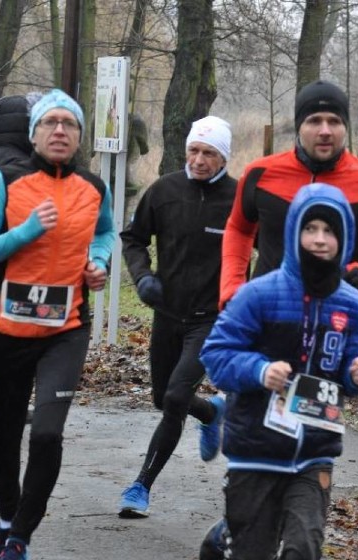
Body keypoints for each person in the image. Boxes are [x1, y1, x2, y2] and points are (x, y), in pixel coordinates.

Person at [0, 88, 116, 560]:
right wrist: (26, 230)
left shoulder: (94, 186)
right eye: (50, 123)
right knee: (6, 432)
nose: (59, 131)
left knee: (47, 433)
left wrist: (98, 260)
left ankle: (19, 538)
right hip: (9, 328)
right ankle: (7, 518)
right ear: (34, 133)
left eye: (68, 125)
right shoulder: (6, 180)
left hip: (66, 329)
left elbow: (107, 231)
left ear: (78, 136)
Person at [200, 183, 358, 560]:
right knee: (252, 557)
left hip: (314, 453)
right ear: (294, 233)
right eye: (310, 229)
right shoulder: (258, 295)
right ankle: (225, 540)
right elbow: (215, 354)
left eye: (329, 231)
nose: (319, 239)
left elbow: (354, 357)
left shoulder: (354, 305)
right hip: (255, 450)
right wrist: (259, 371)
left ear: (344, 240)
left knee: (303, 550)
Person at [117, 116, 236, 518]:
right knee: (161, 397)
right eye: (194, 151)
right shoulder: (164, 191)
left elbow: (267, 248)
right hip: (167, 314)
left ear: (224, 157)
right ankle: (211, 411)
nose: (199, 160)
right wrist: (143, 277)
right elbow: (132, 239)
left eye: (209, 153)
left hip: (212, 320)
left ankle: (140, 487)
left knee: (173, 399)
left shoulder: (240, 200)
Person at [219, 79, 358, 308]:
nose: (325, 131)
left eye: (334, 121)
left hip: (336, 320)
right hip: (267, 315)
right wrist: (232, 289)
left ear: (345, 127)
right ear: (299, 125)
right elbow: (238, 230)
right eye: (314, 121)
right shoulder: (259, 174)